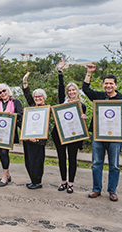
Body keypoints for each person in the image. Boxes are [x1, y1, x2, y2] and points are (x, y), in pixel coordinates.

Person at [83, 64, 122, 202]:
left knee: (114, 164)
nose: (108, 86)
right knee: (96, 162)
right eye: (106, 83)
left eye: (111, 83)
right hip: (98, 135)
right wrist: (89, 73)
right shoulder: (99, 96)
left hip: (115, 136)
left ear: (115, 85)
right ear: (103, 85)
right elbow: (85, 89)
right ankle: (96, 189)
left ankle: (112, 191)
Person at [53, 59, 88, 194]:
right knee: (61, 157)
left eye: (73, 90)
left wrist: (84, 118)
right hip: (60, 134)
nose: (71, 92)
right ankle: (63, 181)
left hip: (73, 136)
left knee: (72, 159)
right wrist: (60, 72)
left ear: (77, 91)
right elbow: (60, 87)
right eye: (69, 90)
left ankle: (71, 184)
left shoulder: (81, 105)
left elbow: (82, 124)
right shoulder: (63, 102)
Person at [0, 83, 23, 187]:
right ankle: (7, 174)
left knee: (4, 152)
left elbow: (21, 114)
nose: (2, 93)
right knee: (0, 152)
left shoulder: (15, 101)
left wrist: (12, 114)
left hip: (9, 133)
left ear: (8, 90)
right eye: (0, 92)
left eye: (4, 91)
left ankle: (4, 177)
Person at [22, 72, 49, 189]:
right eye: (36, 97)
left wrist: (40, 138)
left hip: (39, 140)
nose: (37, 98)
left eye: (40, 96)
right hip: (28, 138)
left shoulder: (47, 109)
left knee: (37, 162)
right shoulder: (32, 107)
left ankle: (37, 181)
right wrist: (25, 82)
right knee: (28, 161)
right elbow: (27, 95)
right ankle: (32, 180)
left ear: (44, 98)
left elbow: (50, 126)